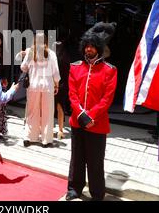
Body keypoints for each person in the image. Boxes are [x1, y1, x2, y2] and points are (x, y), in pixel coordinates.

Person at [66, 32, 117, 201]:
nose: (89, 49)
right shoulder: (75, 67)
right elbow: (72, 94)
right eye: (87, 46)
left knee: (95, 162)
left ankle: (97, 194)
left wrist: (91, 115)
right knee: (77, 159)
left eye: (92, 46)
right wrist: (81, 114)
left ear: (99, 49)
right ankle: (74, 189)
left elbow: (107, 99)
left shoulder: (110, 70)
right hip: (77, 121)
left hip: (98, 123)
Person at [21, 32, 60, 148]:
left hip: (33, 86)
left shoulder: (30, 52)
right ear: (46, 41)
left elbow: (23, 67)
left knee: (32, 112)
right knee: (47, 113)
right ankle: (46, 140)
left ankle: (29, 137)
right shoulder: (51, 54)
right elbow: (56, 73)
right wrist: (56, 85)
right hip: (47, 86)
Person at [54, 36, 71, 140]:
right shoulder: (66, 58)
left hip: (54, 85)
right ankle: (60, 129)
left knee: (52, 107)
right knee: (60, 107)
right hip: (63, 85)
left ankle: (51, 129)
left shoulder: (52, 58)